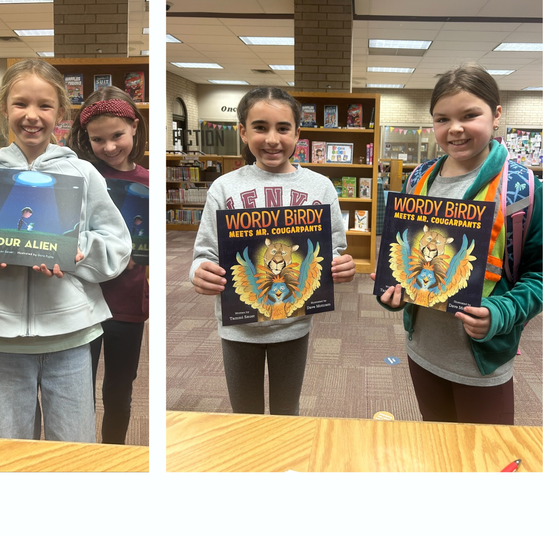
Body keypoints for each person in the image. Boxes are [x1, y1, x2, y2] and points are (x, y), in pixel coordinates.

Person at [0, 61, 131, 443]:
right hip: (2, 336)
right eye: (20, 104)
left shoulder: (83, 174)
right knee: (5, 447)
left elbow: (117, 246)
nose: (32, 116)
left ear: (61, 113)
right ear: (4, 109)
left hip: (70, 335)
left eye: (45, 106)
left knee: (73, 445)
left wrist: (76, 251)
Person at [372, 63, 542, 425]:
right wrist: (391, 290)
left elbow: (542, 274)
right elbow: (404, 255)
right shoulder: (420, 177)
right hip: (423, 349)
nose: (456, 129)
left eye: (470, 115)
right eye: (442, 119)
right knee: (438, 449)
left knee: (484, 462)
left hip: (482, 361)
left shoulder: (523, 191)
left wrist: (501, 314)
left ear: (496, 115)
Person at [190, 87, 356, 415]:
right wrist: (198, 272)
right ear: (242, 131)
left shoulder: (320, 187)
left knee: (286, 410)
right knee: (245, 412)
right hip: (238, 325)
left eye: (283, 128)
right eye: (260, 127)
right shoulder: (224, 187)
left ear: (298, 133)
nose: (272, 139)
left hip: (292, 324)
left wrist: (341, 265)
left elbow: (334, 249)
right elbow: (205, 253)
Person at [69, 86, 149, 444]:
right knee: (76, 387)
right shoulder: (80, 178)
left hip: (127, 303)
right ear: (86, 138)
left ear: (134, 126)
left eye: (117, 135)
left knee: (119, 388)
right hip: (82, 302)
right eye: (98, 139)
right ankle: (81, 454)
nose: (110, 147)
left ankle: (113, 452)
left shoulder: (148, 182)